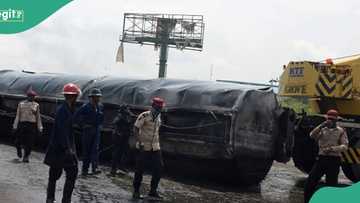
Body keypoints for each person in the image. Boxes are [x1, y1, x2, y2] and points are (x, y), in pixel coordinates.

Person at [44, 83, 81, 203]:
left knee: (71, 172)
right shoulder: (62, 110)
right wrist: (67, 148)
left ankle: (65, 199)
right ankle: (51, 198)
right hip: (60, 148)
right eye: (75, 96)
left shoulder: (70, 109)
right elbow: (61, 130)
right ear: (73, 96)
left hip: (64, 148)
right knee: (55, 174)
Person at [304, 109, 349, 203]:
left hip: (334, 161)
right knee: (310, 182)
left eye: (332, 119)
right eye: (328, 118)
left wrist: (332, 149)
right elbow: (311, 135)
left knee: (331, 186)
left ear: (336, 120)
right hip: (321, 159)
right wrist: (321, 126)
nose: (330, 121)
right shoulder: (322, 129)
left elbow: (345, 146)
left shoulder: (341, 131)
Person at [132, 97, 165, 200]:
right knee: (140, 169)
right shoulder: (144, 115)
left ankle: (153, 191)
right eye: (158, 107)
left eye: (161, 108)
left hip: (155, 147)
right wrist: (139, 142)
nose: (159, 109)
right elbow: (136, 128)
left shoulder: (159, 116)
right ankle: (136, 191)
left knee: (159, 168)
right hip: (144, 147)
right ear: (153, 106)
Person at [75, 88, 104, 176]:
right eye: (96, 97)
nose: (98, 99)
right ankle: (85, 170)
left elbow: (102, 118)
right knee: (86, 150)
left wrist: (100, 125)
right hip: (88, 130)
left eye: (99, 97)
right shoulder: (85, 107)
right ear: (91, 97)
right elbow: (76, 116)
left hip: (96, 130)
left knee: (95, 149)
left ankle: (95, 168)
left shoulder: (100, 106)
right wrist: (82, 125)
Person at [13, 88, 43, 162]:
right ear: (27, 96)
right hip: (22, 124)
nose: (32, 98)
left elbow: (38, 117)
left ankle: (26, 156)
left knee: (29, 142)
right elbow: (17, 115)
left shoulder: (36, 105)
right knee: (17, 141)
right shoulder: (21, 104)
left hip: (31, 125)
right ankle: (19, 149)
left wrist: (40, 128)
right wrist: (15, 126)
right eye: (30, 96)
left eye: (33, 96)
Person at [110, 104, 134, 176]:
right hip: (119, 137)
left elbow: (130, 123)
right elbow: (114, 123)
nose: (128, 110)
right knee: (117, 153)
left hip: (125, 136)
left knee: (126, 151)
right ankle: (113, 169)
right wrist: (118, 132)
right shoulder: (120, 116)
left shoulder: (128, 116)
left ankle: (121, 165)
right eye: (126, 109)